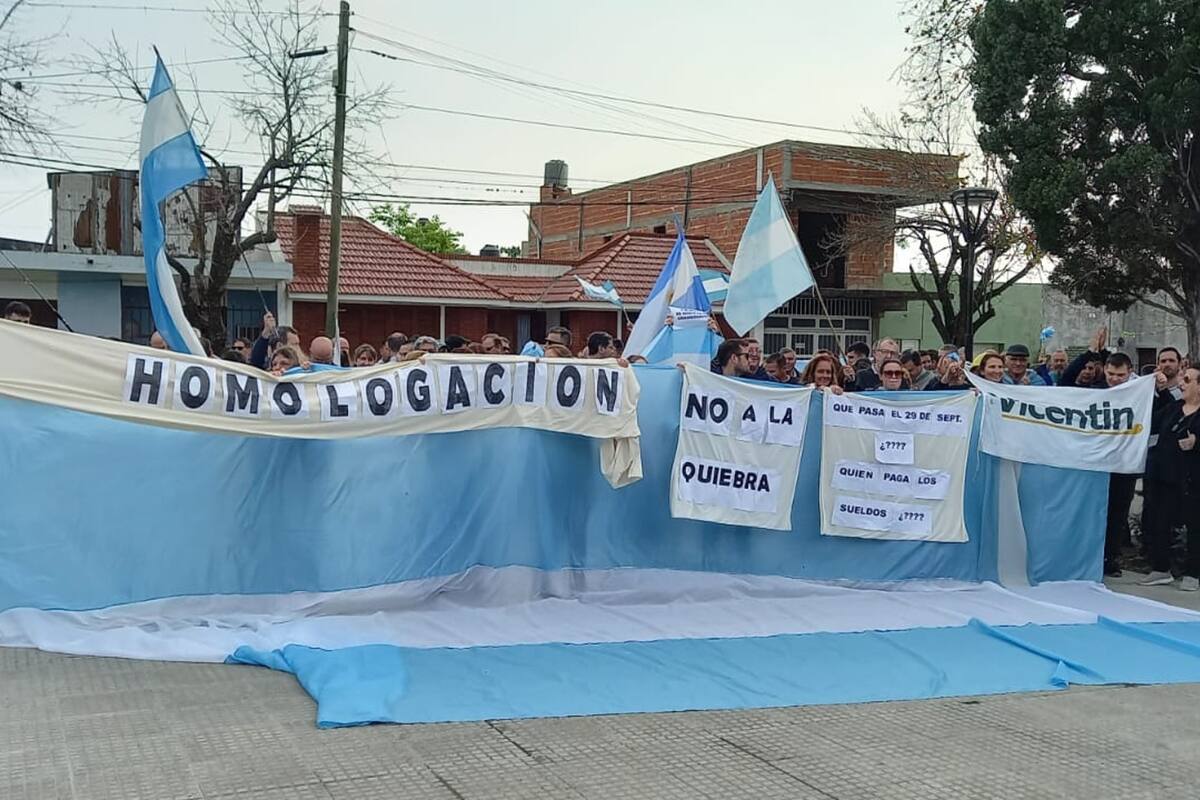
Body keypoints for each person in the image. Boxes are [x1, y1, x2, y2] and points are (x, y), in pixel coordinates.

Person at [1140, 366, 1200, 590]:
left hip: (1193, 480)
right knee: (1160, 522)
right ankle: (1160, 569)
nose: (1182, 383)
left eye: (1187, 379)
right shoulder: (1174, 408)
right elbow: (1151, 423)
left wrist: (1197, 442)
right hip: (1165, 476)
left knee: (1195, 527)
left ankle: (1193, 574)